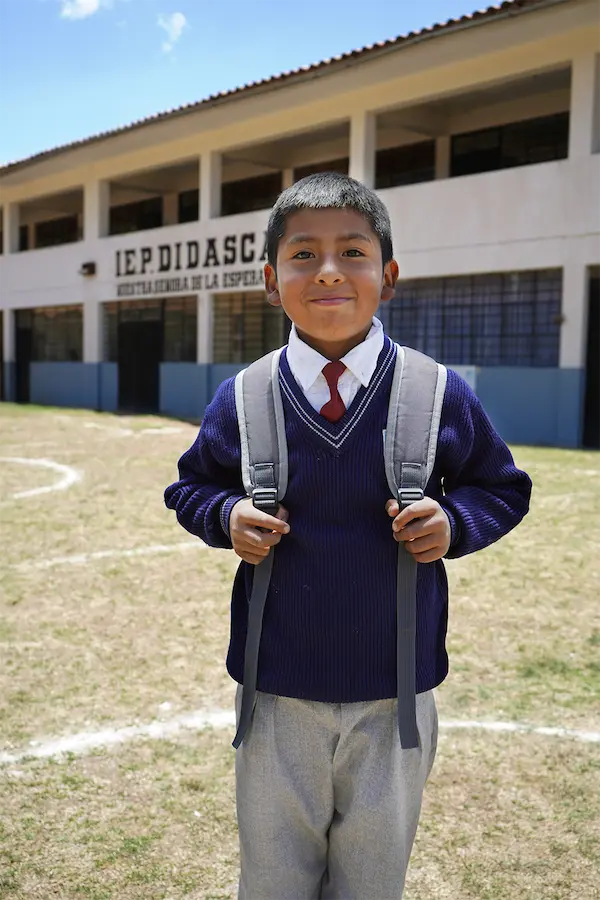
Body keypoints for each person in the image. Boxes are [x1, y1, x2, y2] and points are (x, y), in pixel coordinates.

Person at [164, 172, 532, 899]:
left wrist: (455, 523)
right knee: (273, 876)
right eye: (302, 255)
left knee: (372, 878)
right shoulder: (243, 396)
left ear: (387, 276)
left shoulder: (438, 393)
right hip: (276, 691)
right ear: (271, 281)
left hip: (393, 694)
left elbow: (503, 488)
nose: (328, 270)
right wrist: (223, 516)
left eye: (352, 252)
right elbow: (190, 486)